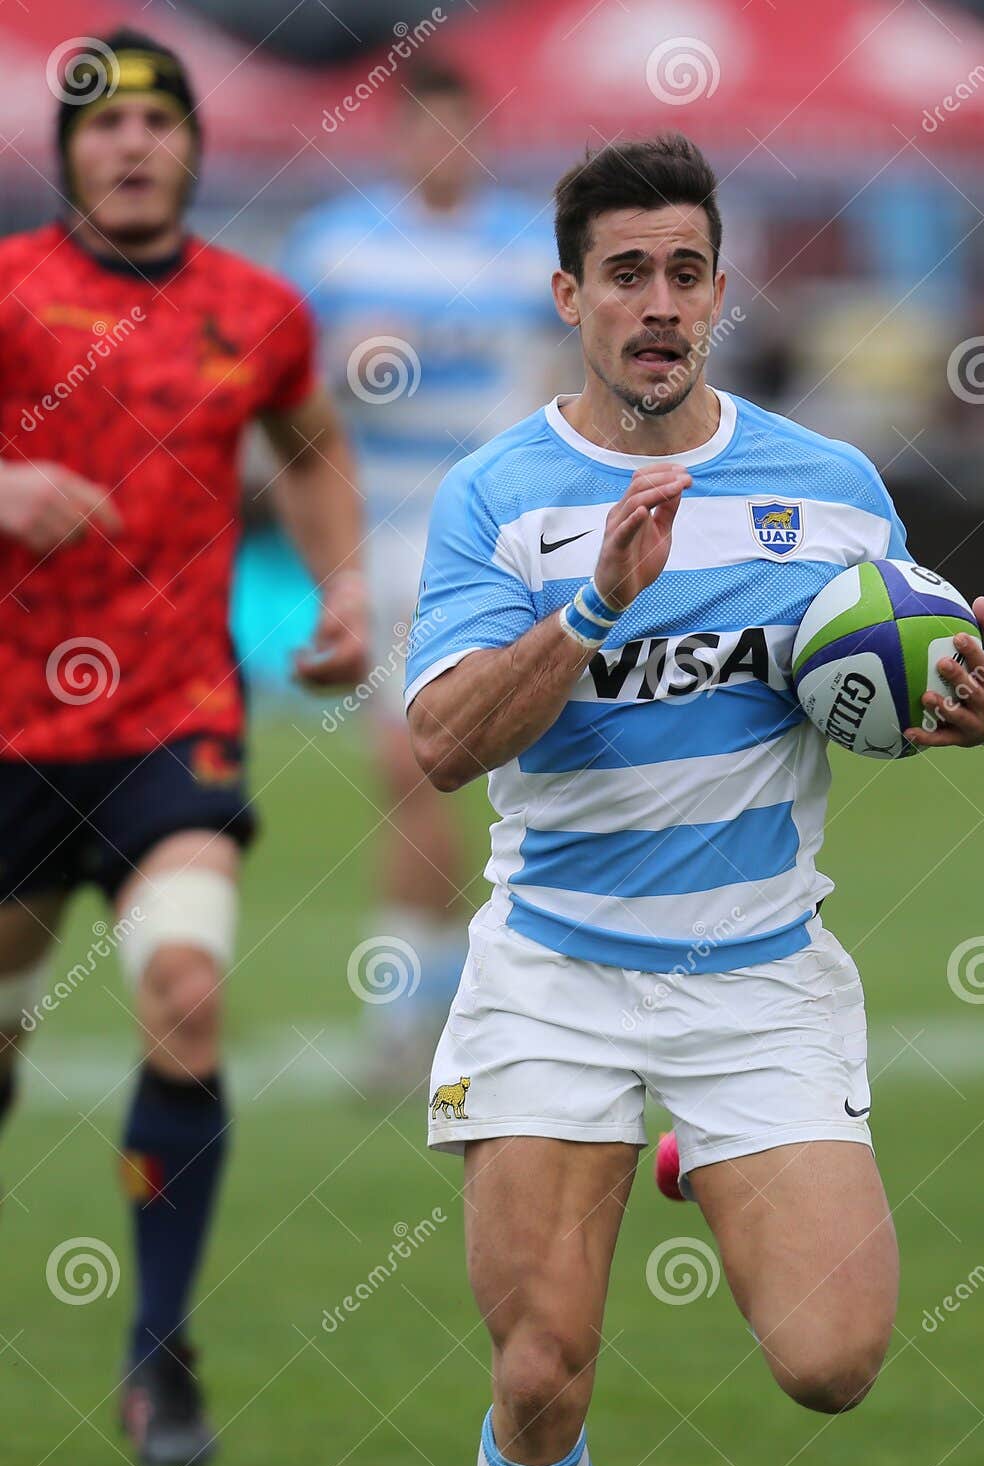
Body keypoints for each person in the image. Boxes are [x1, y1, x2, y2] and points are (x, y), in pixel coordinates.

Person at [405, 133, 984, 1466]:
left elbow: (915, 663)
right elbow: (438, 743)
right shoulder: (499, 498)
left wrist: (971, 707)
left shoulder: (825, 485)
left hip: (754, 973)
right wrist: (592, 613)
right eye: (626, 275)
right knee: (542, 1371)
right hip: (555, 969)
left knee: (831, 1363)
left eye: (684, 272)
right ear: (569, 295)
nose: (658, 303)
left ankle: (690, 1145)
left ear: (721, 291)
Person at [0, 29, 367, 1466]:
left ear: (194, 147)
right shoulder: (12, 292)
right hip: (15, 732)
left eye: (157, 123)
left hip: (176, 723)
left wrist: (339, 590)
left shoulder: (258, 309)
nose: (131, 145)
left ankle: (160, 1357)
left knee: (184, 992)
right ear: (67, 152)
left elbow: (314, 445)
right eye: (103, 126)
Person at [285, 58, 562, 1085]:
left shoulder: (530, 248)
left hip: (499, 540)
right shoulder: (338, 244)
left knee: (516, 784)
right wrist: (343, 366)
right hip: (384, 536)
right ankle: (415, 1009)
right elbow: (284, 391)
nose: (444, 151)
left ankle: (470, 1002)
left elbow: (571, 380)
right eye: (426, 132)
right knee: (410, 767)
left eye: (461, 132)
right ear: (399, 138)